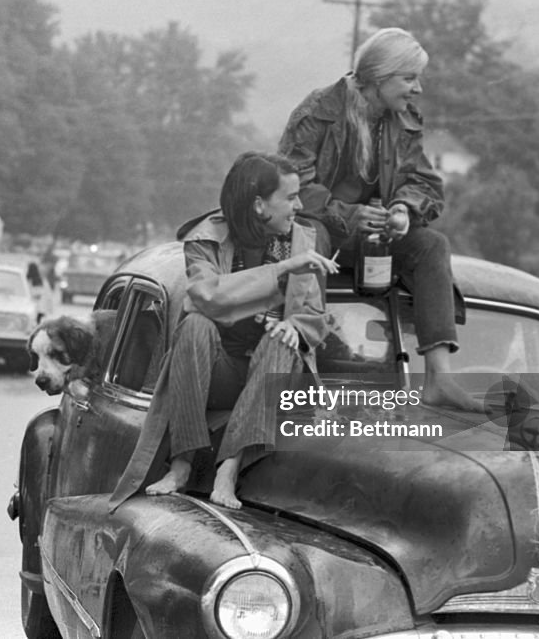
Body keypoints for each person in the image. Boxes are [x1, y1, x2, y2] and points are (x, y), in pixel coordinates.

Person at [110, 152, 338, 510]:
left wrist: (295, 325)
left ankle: (228, 469)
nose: (298, 206)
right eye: (291, 198)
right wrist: (282, 271)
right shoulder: (205, 239)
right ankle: (182, 464)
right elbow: (206, 296)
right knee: (195, 324)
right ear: (260, 205)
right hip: (217, 374)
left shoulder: (301, 240)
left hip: (273, 378)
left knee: (282, 340)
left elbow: (314, 313)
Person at [277, 27, 478, 412]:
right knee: (309, 237)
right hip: (320, 229)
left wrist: (403, 209)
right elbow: (292, 185)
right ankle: (302, 373)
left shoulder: (403, 120)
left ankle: (439, 378)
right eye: (409, 78)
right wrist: (349, 214)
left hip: (374, 238)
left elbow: (424, 182)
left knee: (432, 244)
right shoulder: (318, 112)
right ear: (381, 77)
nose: (417, 88)